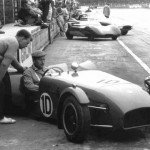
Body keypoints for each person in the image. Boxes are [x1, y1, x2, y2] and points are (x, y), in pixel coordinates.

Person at [0, 29, 32, 124]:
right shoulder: (14, 43)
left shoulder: (10, 40)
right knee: (1, 87)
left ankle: (7, 109)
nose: (26, 46)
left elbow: (11, 58)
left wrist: (19, 68)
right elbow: (5, 64)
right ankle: (0, 117)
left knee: (6, 80)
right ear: (22, 38)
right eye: (26, 43)